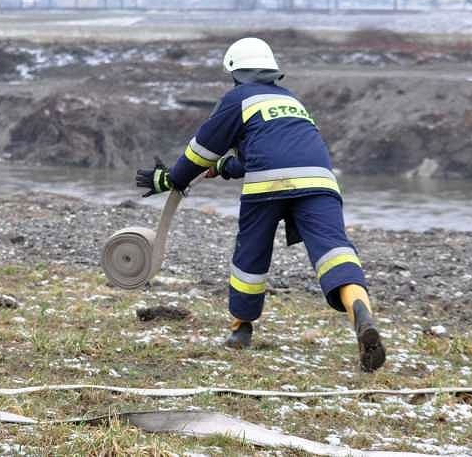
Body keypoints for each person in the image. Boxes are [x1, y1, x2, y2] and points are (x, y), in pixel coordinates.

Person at [136, 37, 385, 372]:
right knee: (334, 252)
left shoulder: (238, 98)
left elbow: (201, 150)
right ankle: (360, 312)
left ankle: (241, 328)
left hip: (268, 185)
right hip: (320, 182)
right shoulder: (291, 101)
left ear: (235, 72)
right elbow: (273, 150)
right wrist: (225, 167)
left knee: (250, 257)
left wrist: (172, 179)